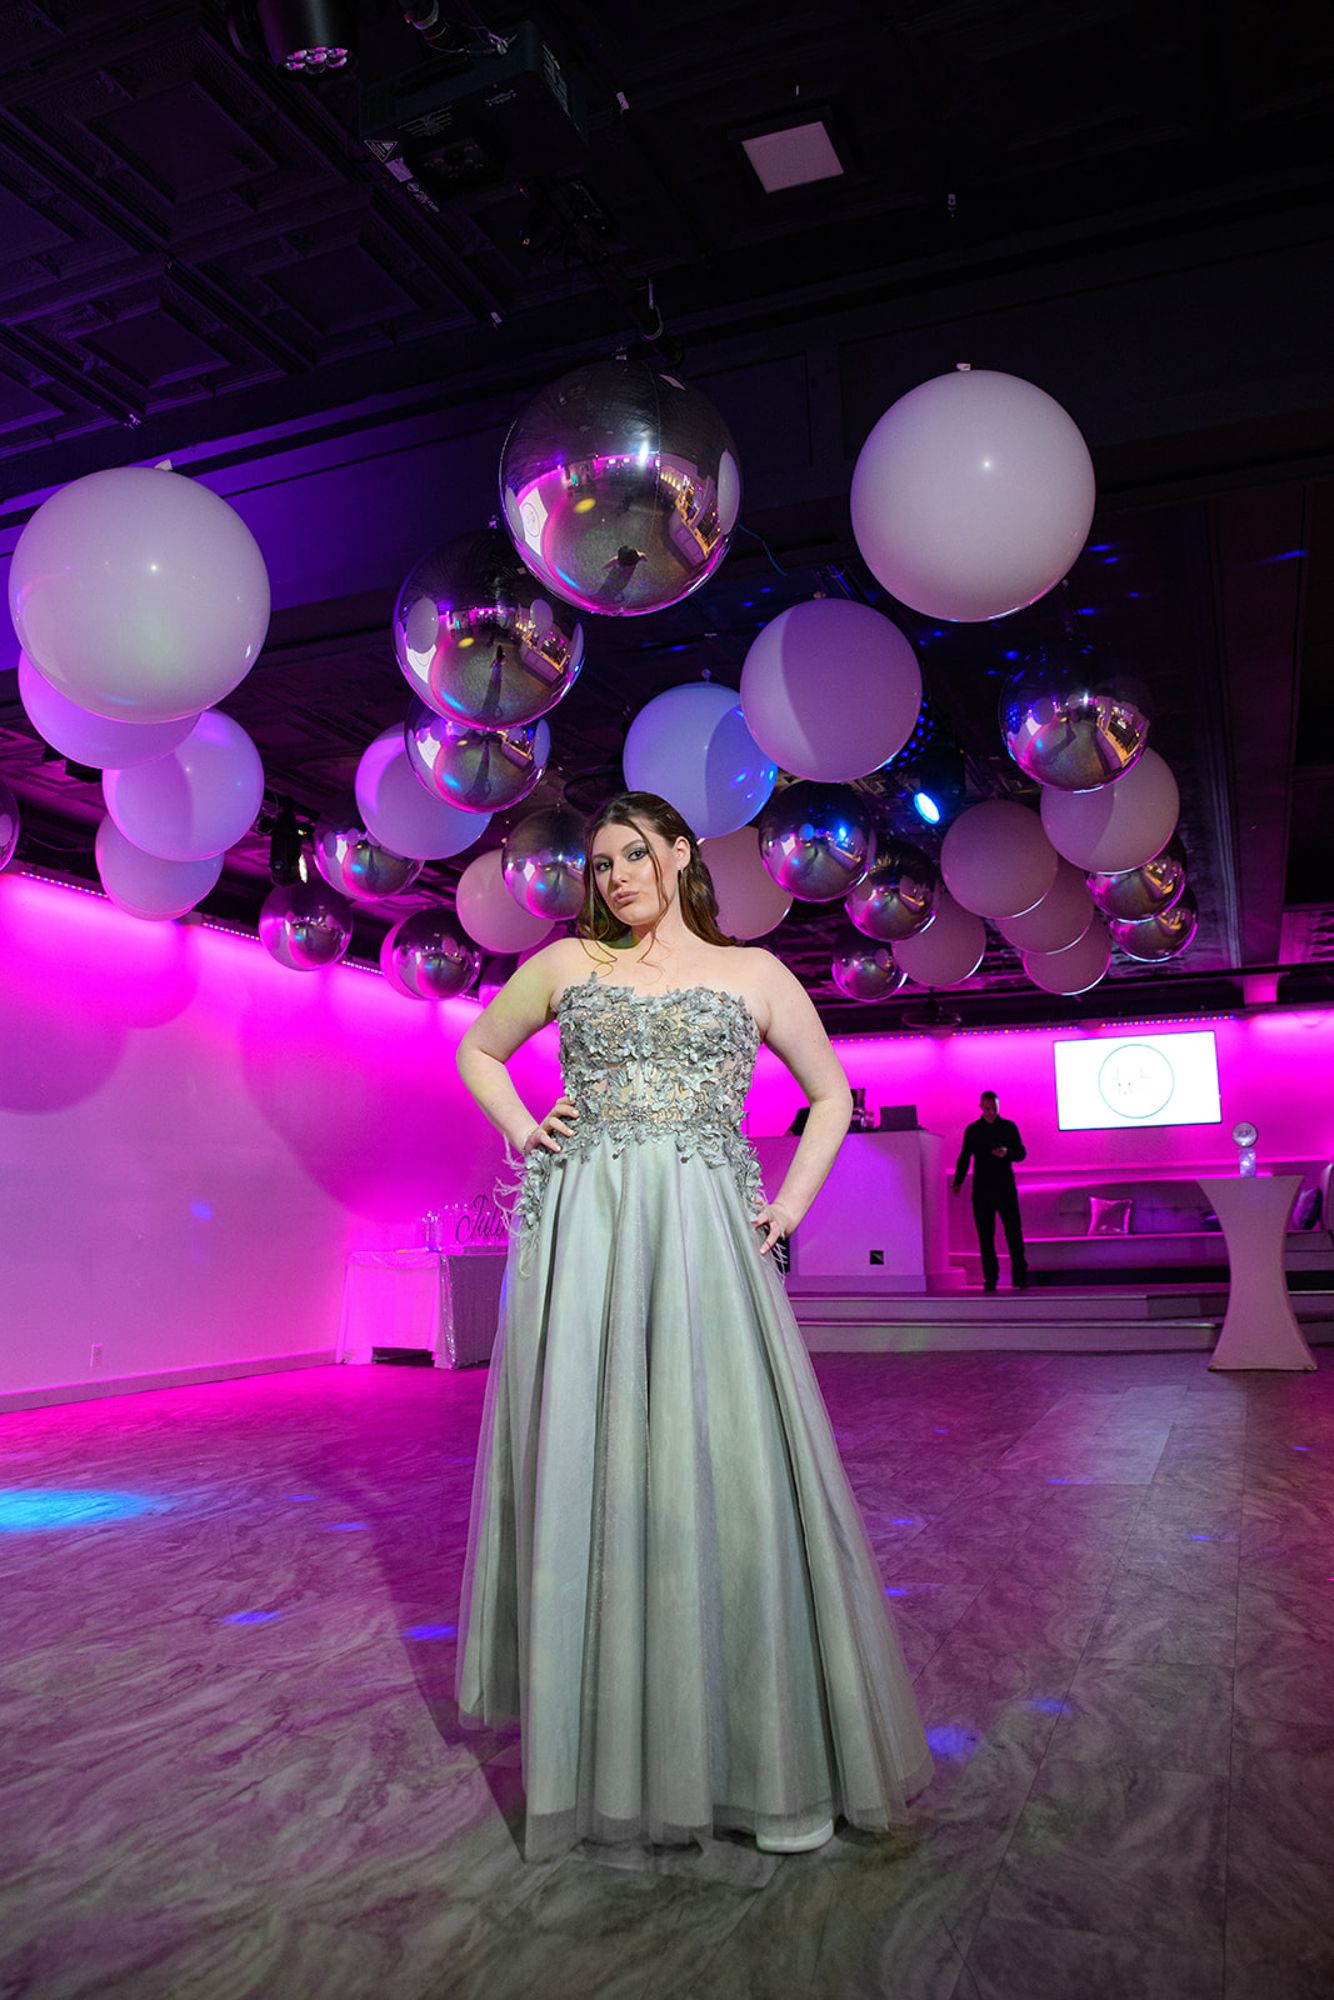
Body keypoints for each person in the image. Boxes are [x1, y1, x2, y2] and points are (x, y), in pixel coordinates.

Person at [454, 791, 932, 1862]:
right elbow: (479, 1051)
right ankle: (610, 1738)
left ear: (679, 851)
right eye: (600, 862)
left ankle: (753, 1749)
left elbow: (832, 1095)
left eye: (634, 852)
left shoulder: (754, 971)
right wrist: (530, 1127)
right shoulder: (567, 963)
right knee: (599, 1453)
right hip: (588, 1227)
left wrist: (790, 1206)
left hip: (707, 1229)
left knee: (720, 1457)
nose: (615, 874)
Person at [952, 1089, 1029, 1292]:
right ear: (981, 1108)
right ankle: (991, 1279)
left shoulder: (1008, 1127)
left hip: (1004, 1188)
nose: (991, 1112)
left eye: (993, 1108)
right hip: (983, 1190)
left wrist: (1007, 1153)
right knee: (986, 1237)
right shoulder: (973, 1130)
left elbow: (1021, 1153)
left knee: (1013, 1233)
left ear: (998, 1107)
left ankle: (1020, 1277)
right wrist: (958, 1181)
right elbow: (964, 1157)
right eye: (987, 1108)